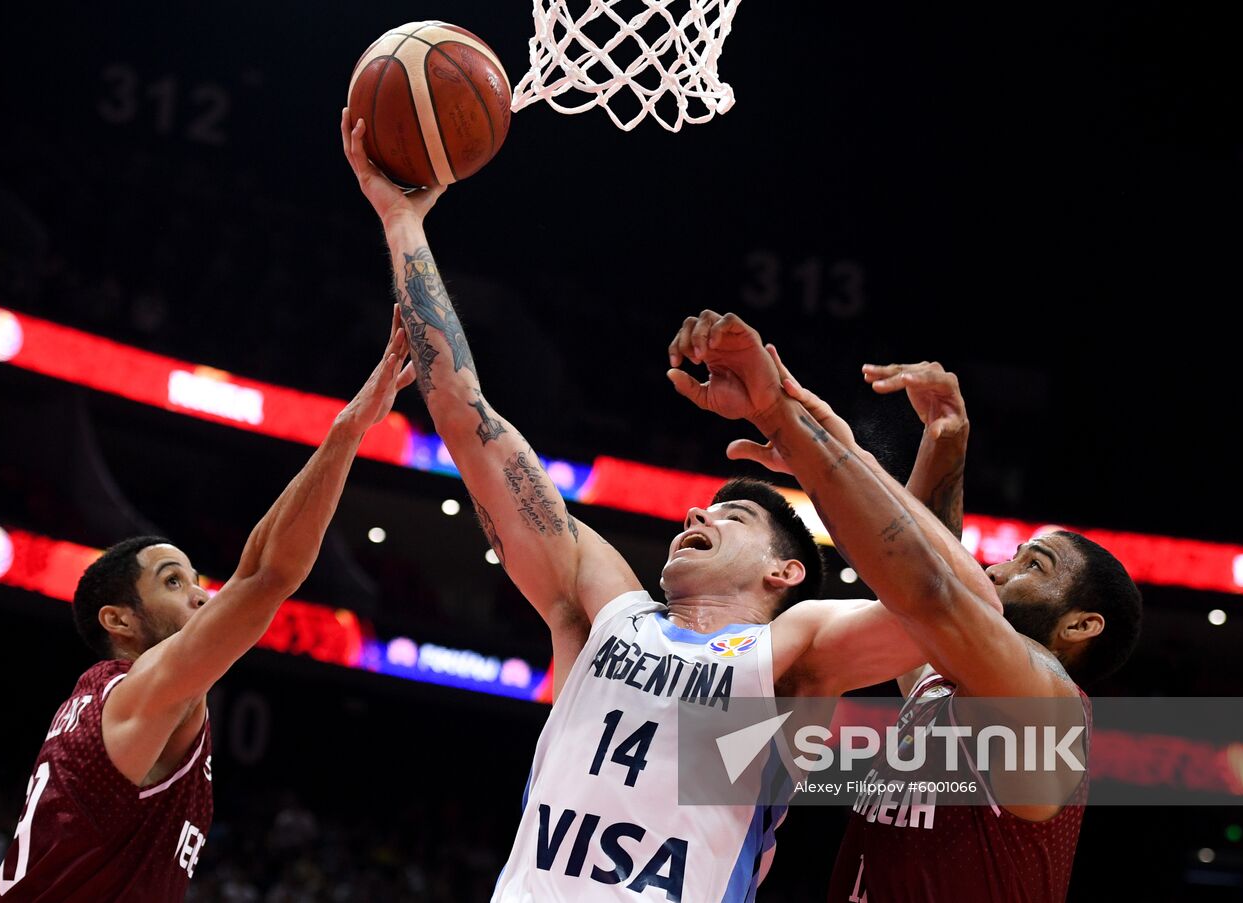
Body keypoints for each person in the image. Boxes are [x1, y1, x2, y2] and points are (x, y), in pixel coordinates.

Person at [342, 110, 989, 902]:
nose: (696, 517)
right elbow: (464, 413)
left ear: (788, 570)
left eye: (734, 516)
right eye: (705, 509)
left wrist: (826, 444)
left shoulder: (794, 653)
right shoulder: (601, 605)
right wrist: (403, 219)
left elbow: (960, 608)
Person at [664, 310, 1142, 903]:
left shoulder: (1049, 705)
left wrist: (818, 444)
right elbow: (920, 594)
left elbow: (934, 592)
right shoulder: (940, 689)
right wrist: (944, 441)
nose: (999, 567)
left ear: (1082, 625)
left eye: (1033, 566)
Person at [0, 311, 417, 901]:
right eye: (171, 581)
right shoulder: (145, 692)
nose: (199, 591)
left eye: (194, 577)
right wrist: (348, 430)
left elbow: (252, 569)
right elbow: (267, 576)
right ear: (119, 619)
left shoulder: (99, 697)